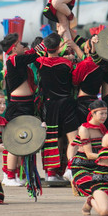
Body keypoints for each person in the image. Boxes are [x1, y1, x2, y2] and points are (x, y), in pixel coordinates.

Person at [36, 33, 79, 183]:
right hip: (67, 103)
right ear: (59, 47)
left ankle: (51, 173)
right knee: (73, 138)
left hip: (50, 104)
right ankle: (71, 169)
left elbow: (36, 52)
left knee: (52, 138)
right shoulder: (67, 64)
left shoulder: (40, 62)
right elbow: (74, 80)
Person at [0, 33, 40, 186]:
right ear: (14, 48)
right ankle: (9, 176)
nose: (23, 46)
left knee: (24, 139)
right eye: (20, 44)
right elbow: (33, 55)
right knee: (15, 140)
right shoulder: (13, 59)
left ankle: (18, 174)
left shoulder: (17, 60)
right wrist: (45, 46)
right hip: (19, 105)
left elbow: (31, 54)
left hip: (26, 103)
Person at [71, 100, 108, 198]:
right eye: (101, 113)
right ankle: (76, 183)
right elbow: (89, 155)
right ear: (92, 113)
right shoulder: (84, 129)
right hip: (82, 167)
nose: (104, 116)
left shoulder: (103, 128)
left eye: (106, 113)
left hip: (97, 167)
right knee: (95, 188)